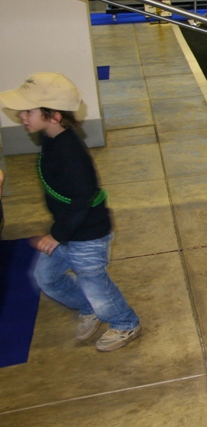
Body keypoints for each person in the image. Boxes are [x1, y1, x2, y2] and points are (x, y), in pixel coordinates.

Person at [0, 72, 141, 351]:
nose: (22, 116)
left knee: (95, 282)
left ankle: (125, 322)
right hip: (67, 228)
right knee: (47, 278)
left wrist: (57, 235)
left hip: (87, 232)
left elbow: (82, 200)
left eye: (28, 111)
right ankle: (88, 307)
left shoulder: (71, 153)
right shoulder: (50, 138)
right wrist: (60, 231)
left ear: (53, 116)